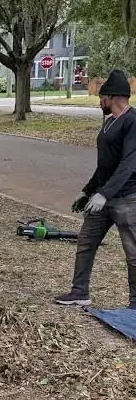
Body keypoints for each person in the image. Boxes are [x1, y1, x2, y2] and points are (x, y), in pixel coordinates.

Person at [55, 69, 136, 309]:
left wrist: (104, 194)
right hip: (101, 197)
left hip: (127, 199)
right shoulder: (109, 122)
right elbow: (105, 165)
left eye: (102, 97)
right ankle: (79, 292)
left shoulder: (133, 122)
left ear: (112, 97)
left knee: (133, 253)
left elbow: (128, 164)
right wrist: (87, 191)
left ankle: (135, 304)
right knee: (85, 243)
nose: (99, 101)